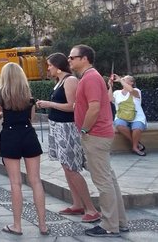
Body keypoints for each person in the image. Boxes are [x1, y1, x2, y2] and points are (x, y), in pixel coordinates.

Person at [69, 44, 128, 237]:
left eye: (72, 57)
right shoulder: (89, 77)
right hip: (98, 134)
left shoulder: (91, 78)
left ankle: (109, 225)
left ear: (84, 58)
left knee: (103, 181)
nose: (69, 60)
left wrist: (84, 129)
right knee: (109, 179)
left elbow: (93, 108)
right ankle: (119, 222)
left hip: (95, 135)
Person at [36, 53, 99, 223]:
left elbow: (73, 106)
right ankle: (77, 203)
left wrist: (49, 104)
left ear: (57, 65)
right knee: (66, 167)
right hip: (58, 126)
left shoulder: (70, 80)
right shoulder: (60, 82)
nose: (48, 68)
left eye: (49, 65)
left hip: (67, 128)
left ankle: (91, 209)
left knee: (71, 168)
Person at [0, 62, 47, 236]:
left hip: (10, 136)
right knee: (36, 181)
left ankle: (17, 225)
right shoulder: (27, 95)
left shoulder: (1, 95)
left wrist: (2, 114)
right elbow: (31, 118)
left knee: (15, 183)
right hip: (28, 135)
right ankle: (43, 225)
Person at [108, 74, 147, 156]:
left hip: (137, 117)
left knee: (137, 128)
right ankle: (135, 143)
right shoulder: (117, 92)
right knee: (119, 125)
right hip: (121, 116)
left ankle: (135, 147)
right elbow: (110, 99)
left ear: (131, 82)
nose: (122, 79)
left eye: (125, 79)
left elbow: (131, 91)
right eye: (122, 79)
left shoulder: (136, 91)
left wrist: (120, 80)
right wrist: (110, 86)